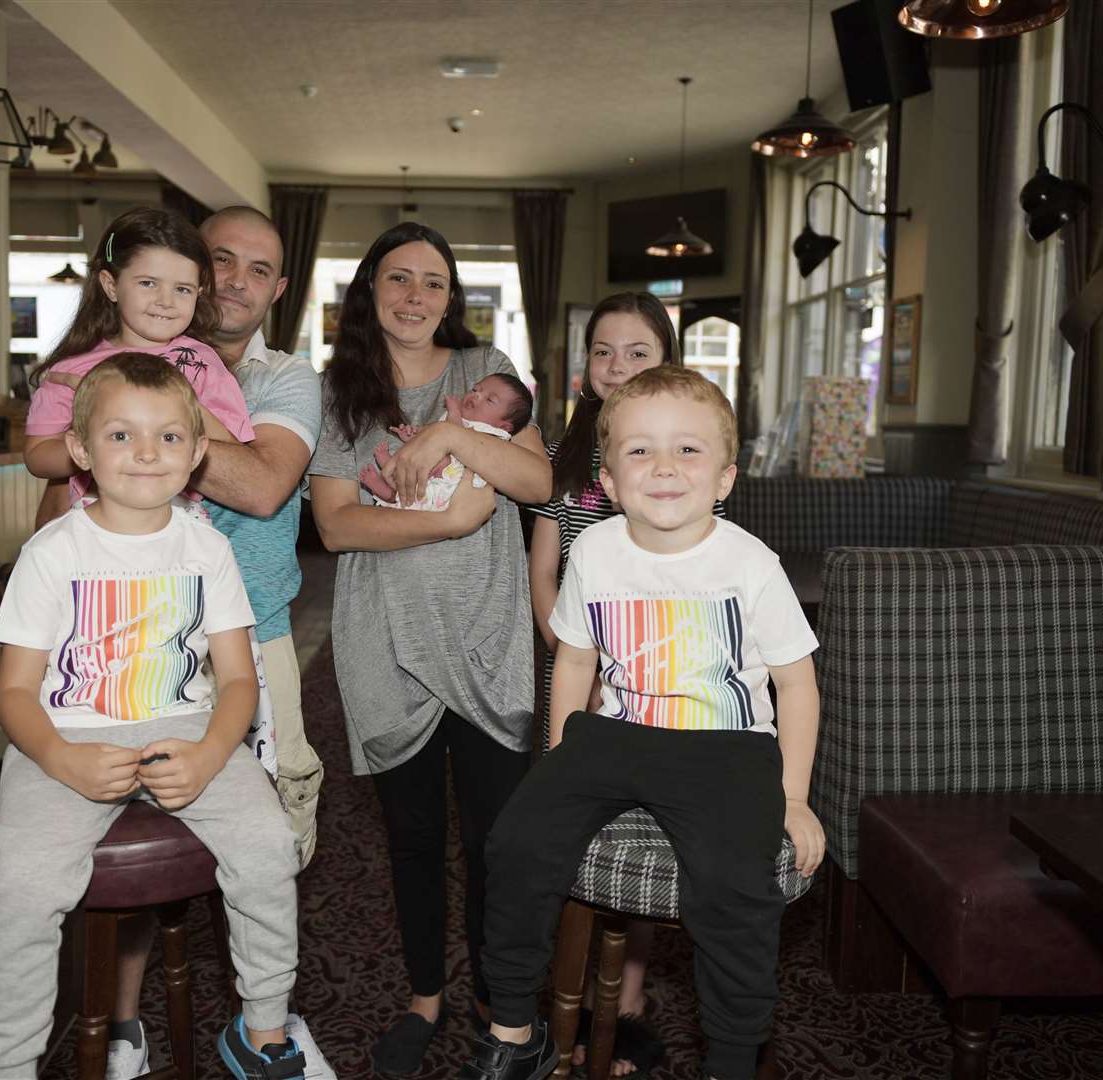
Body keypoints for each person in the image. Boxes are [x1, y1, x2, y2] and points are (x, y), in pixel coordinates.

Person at [460, 366, 825, 1080]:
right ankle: (512, 1029)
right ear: (609, 478)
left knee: (730, 885)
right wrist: (558, 762)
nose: (663, 466)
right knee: (517, 839)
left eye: (687, 451)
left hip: (727, 748)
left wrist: (792, 795)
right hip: (614, 735)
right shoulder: (593, 551)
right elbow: (573, 662)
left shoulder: (749, 564)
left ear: (724, 477)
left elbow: (796, 685)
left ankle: (731, 1057)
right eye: (639, 451)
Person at [0, 353, 309, 1080]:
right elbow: (14, 695)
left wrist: (214, 751)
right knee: (20, 888)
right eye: (121, 436)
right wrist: (61, 759)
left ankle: (266, 1024)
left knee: (266, 844)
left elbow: (238, 681)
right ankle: (8, 1064)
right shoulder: (51, 552)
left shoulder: (207, 549)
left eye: (167, 437)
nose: (146, 453)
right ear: (82, 450)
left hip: (185, 728)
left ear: (195, 454)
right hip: (64, 735)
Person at [306, 221, 551, 1077]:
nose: (416, 297)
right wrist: (444, 518)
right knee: (410, 839)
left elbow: (536, 482)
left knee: (495, 839)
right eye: (399, 279)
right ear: (369, 289)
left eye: (434, 283)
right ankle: (423, 996)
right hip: (386, 642)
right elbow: (335, 526)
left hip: (485, 636)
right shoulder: (340, 391)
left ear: (453, 298)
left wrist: (449, 437)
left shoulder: (482, 371)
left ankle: (495, 995)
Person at [103, 206, 335, 1080]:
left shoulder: (286, 379)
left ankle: (260, 1023)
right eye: (220, 260)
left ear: (279, 287)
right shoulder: (123, 359)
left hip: (258, 633)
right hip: (135, 638)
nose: (236, 280)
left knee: (270, 833)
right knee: (127, 816)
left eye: (259, 268)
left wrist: (140, 428)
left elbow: (268, 483)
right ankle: (122, 1022)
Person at [523, 292, 713, 1078]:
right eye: (603, 351)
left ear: (665, 359)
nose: (617, 366)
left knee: (641, 836)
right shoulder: (563, 463)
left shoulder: (684, 456)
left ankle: (626, 1004)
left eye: (637, 352)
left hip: (654, 683)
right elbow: (541, 574)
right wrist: (575, 660)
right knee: (565, 832)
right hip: (571, 676)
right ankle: (561, 993)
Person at [22, 206, 253, 520]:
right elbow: (37, 456)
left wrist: (178, 404)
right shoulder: (72, 371)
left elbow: (233, 442)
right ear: (111, 285)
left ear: (198, 294)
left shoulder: (201, 363)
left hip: (179, 522)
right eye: (148, 283)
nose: (165, 301)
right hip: (94, 524)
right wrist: (94, 450)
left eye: (182, 289)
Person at [360, 373, 534, 510]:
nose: (477, 396)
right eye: (475, 389)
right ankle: (387, 484)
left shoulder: (493, 434)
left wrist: (453, 413)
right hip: (435, 478)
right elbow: (433, 438)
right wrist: (413, 436)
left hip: (454, 483)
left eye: (489, 400)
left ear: (504, 426)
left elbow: (455, 435)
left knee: (433, 463)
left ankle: (387, 478)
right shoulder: (455, 418)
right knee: (413, 467)